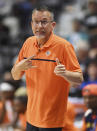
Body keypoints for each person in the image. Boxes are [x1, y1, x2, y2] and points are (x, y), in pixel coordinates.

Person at [11, 6, 83, 131]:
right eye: (36, 22)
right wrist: (18, 67)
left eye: (44, 22)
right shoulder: (28, 43)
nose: (39, 26)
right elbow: (15, 76)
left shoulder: (64, 46)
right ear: (31, 24)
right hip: (31, 116)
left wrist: (65, 73)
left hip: (52, 120)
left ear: (53, 25)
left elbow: (79, 79)